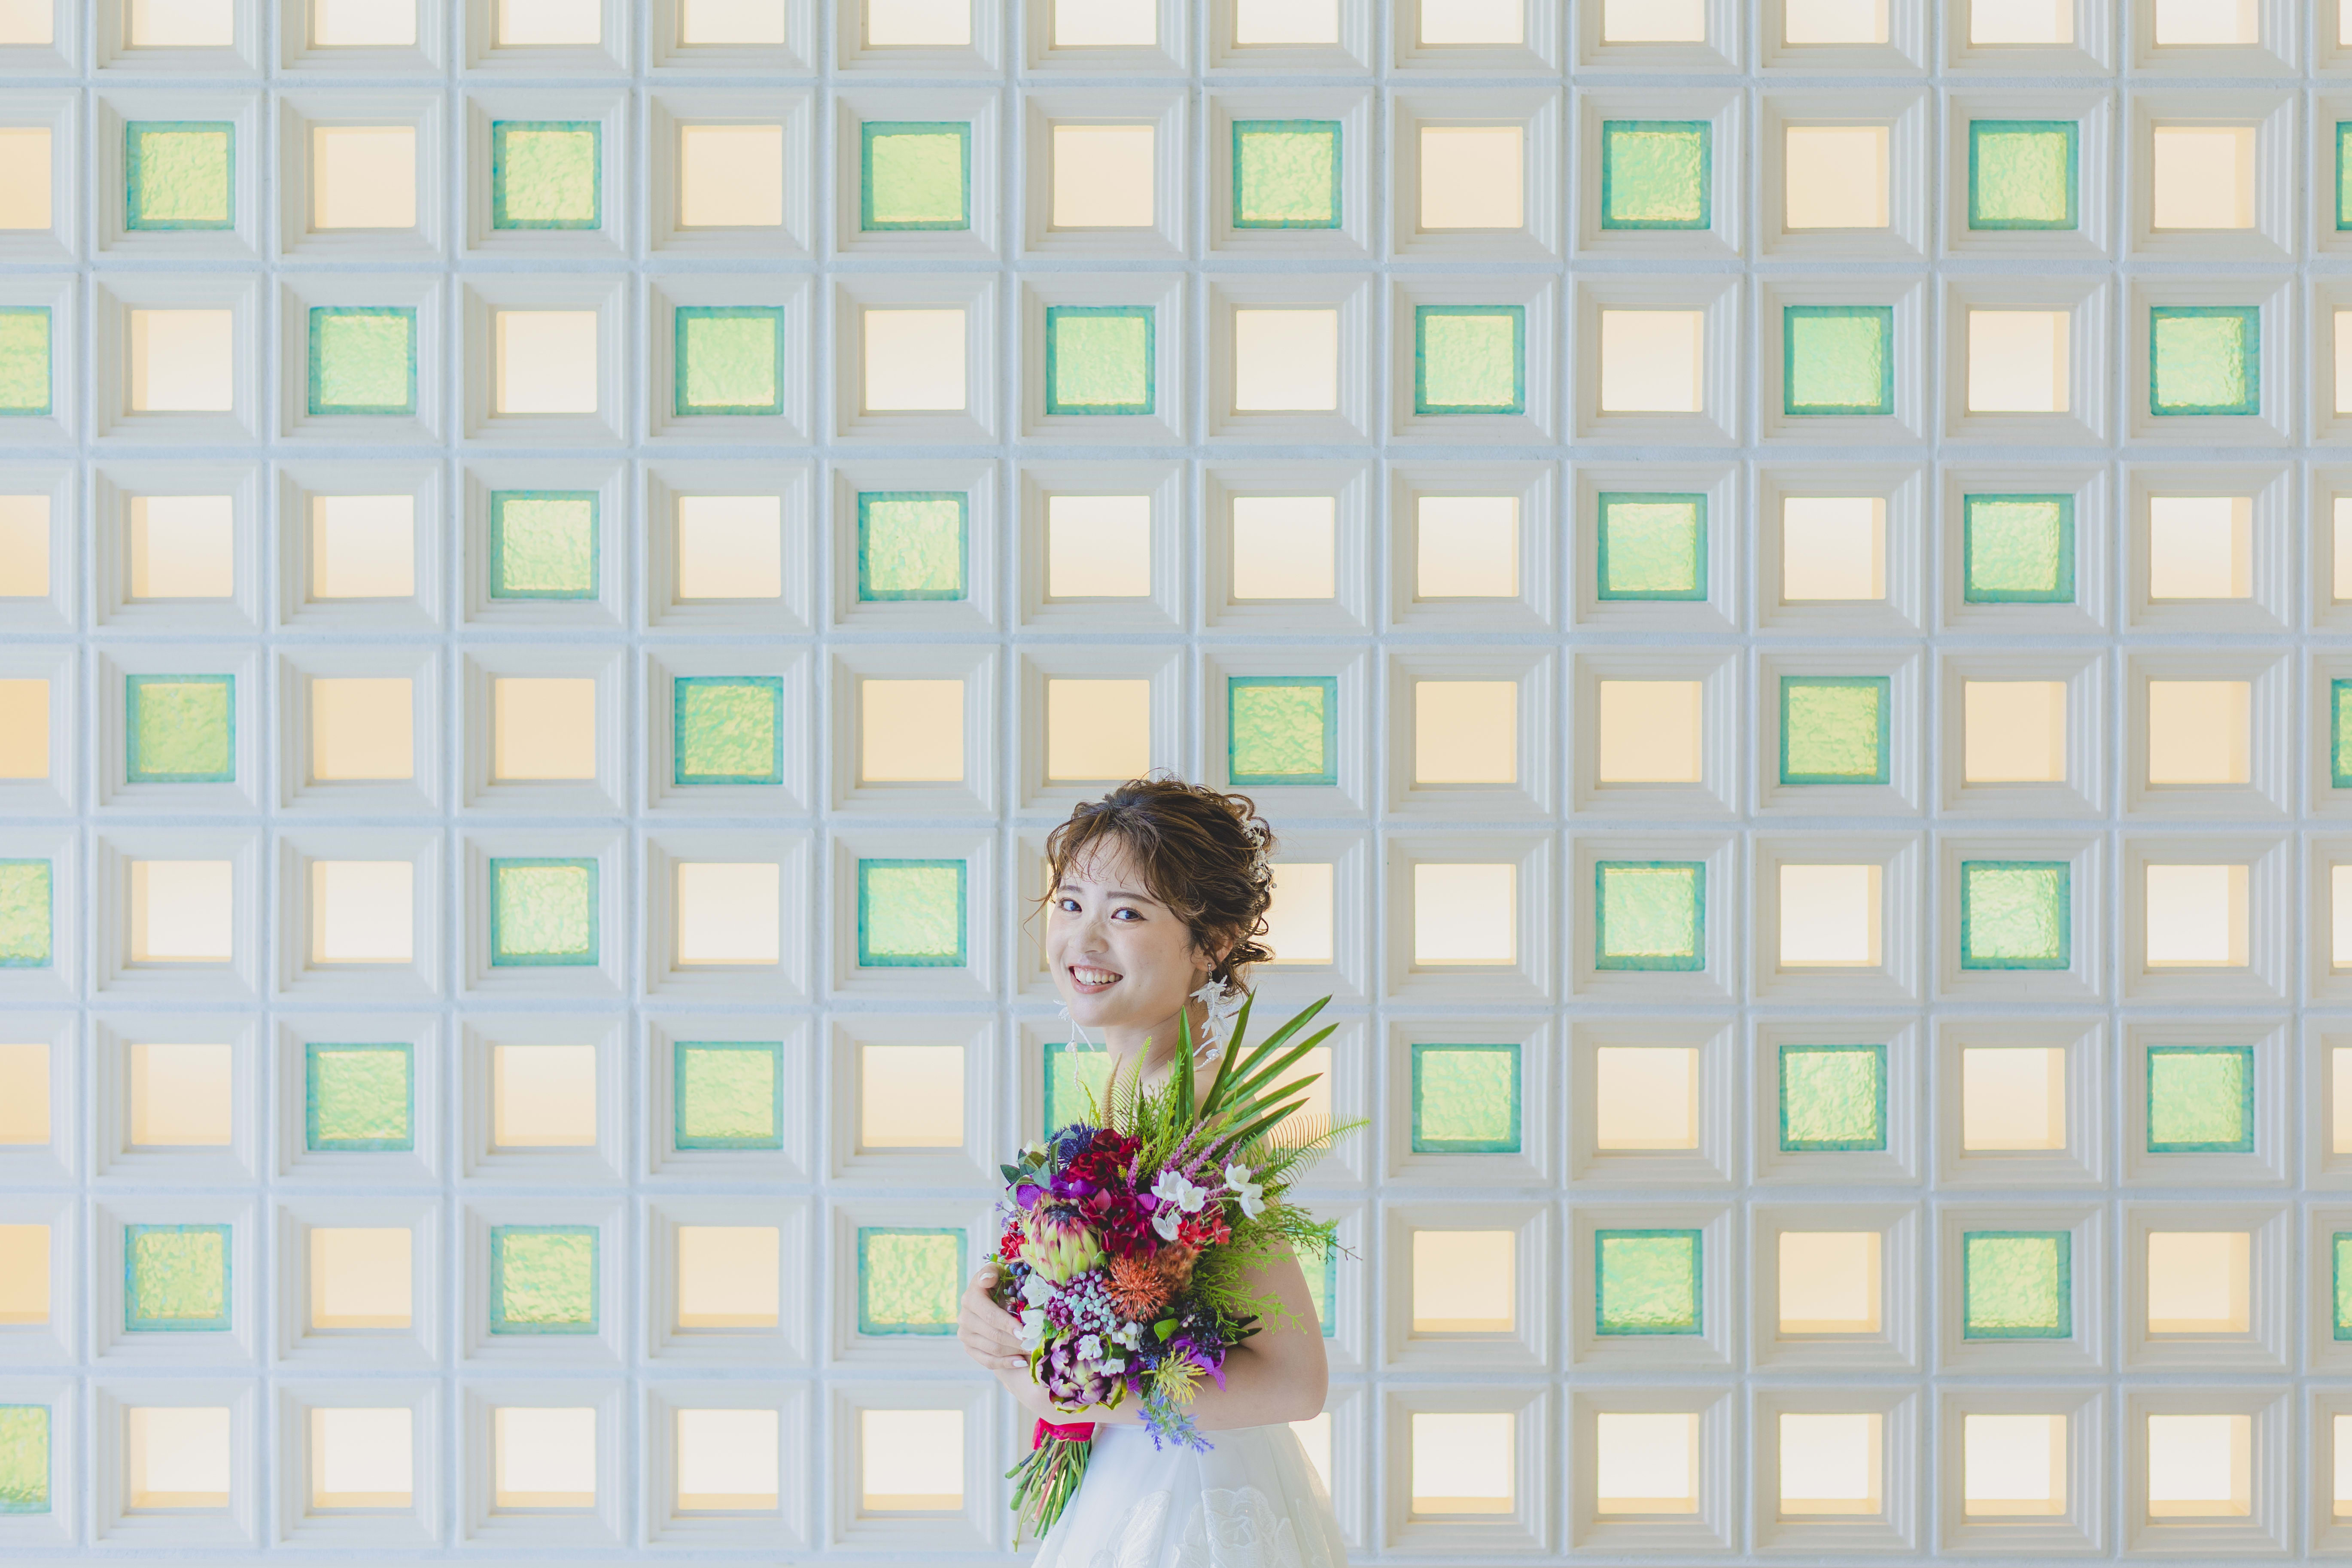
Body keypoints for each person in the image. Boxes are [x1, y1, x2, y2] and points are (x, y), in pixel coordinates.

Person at [955, 777, 1346, 1568]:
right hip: (1133, 1475)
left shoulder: (1197, 1119)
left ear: (1213, 943)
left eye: (1126, 914)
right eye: (1071, 903)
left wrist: (1060, 1387)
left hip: (1185, 1504)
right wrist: (1000, 1315)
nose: (1083, 939)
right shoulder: (1137, 1093)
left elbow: (1294, 1383)